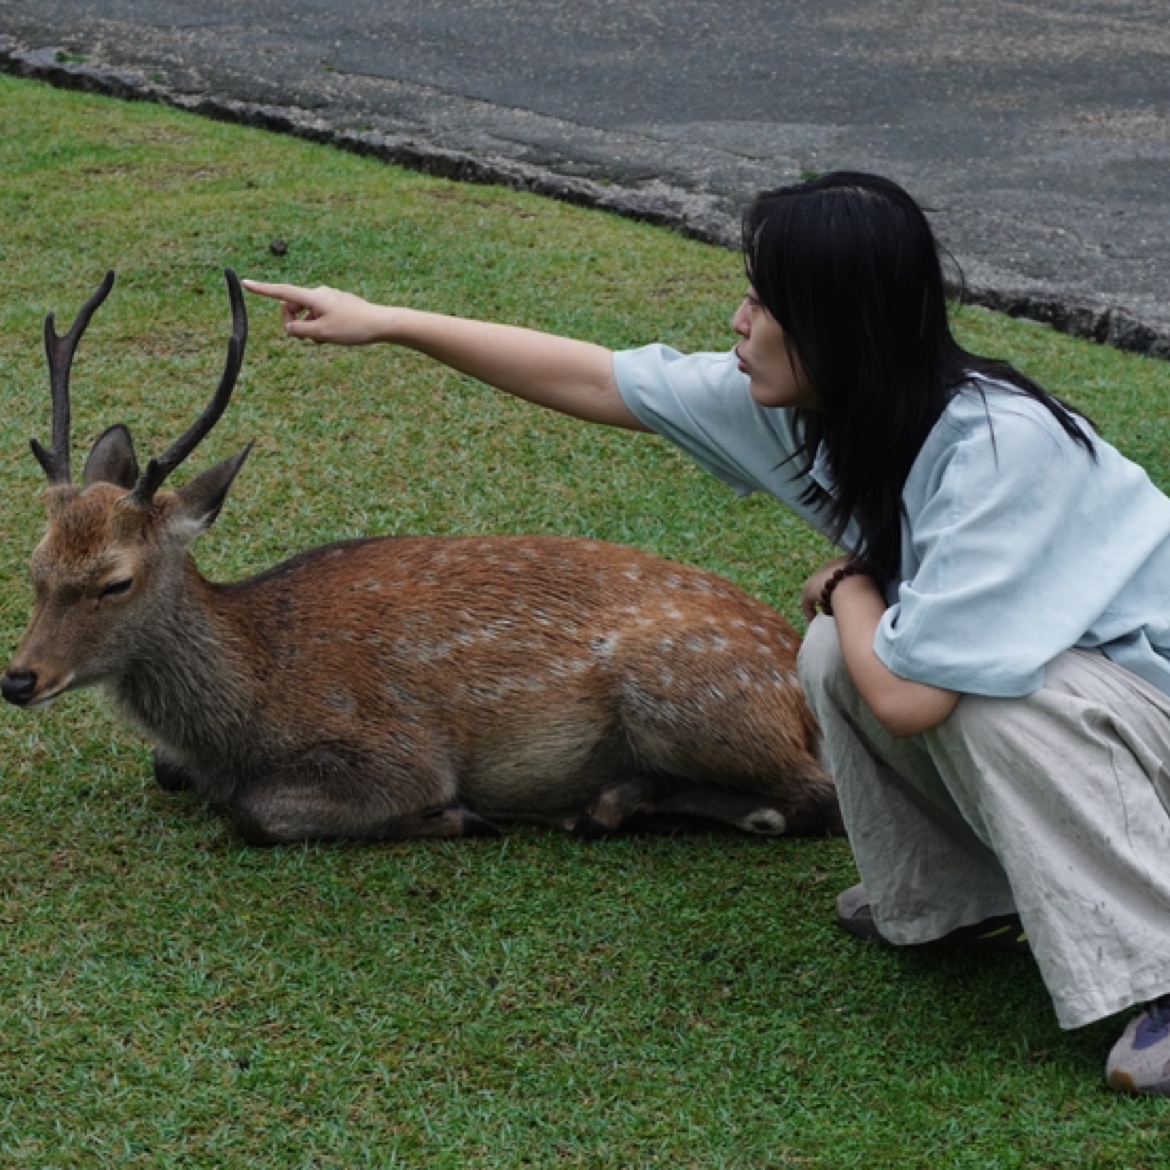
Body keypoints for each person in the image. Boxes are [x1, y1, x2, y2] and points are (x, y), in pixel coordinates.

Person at [243, 170, 1170, 1094]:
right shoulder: (825, 412)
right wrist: (391, 321)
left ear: (837, 327)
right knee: (838, 658)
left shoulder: (1003, 450)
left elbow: (912, 700)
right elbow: (597, 378)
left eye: (765, 302)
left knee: (974, 698)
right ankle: (954, 898)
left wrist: (850, 584)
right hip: (1107, 704)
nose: (739, 319)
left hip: (1145, 707)